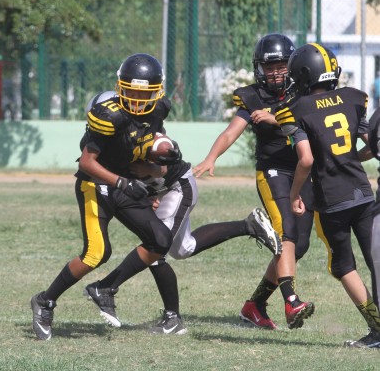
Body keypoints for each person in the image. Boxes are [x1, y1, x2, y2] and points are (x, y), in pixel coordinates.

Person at [30, 53, 182, 341]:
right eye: (132, 90)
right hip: (96, 183)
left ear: (157, 93)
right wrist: (123, 182)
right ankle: (44, 301)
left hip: (125, 183)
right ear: (120, 86)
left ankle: (105, 288)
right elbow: (86, 162)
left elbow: (150, 145)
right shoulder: (109, 114)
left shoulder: (159, 109)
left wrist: (164, 158)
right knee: (96, 253)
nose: (137, 98)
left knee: (160, 240)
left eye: (144, 93)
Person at [193, 33, 315, 330]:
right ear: (258, 68)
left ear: (292, 64)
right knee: (285, 233)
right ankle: (291, 301)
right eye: (268, 66)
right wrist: (211, 158)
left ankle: (255, 305)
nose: (274, 72)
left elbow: (312, 123)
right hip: (272, 171)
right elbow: (230, 133)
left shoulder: (304, 91)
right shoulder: (252, 96)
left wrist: (275, 118)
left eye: (280, 65)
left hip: (302, 170)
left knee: (298, 246)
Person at [92, 154, 282, 334]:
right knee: (183, 249)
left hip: (178, 187)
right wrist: (147, 194)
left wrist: (148, 169)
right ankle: (248, 225)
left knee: (155, 251)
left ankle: (172, 318)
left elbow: (164, 164)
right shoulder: (119, 138)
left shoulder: (147, 134)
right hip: (165, 190)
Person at [275, 42, 380, 348]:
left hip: (332, 200)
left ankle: (377, 330)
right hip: (362, 192)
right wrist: (349, 158)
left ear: (304, 74)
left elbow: (306, 159)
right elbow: (372, 144)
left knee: (343, 266)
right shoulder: (353, 98)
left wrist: (295, 194)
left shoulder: (294, 110)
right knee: (375, 262)